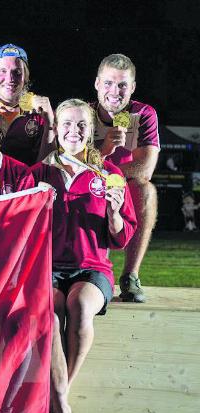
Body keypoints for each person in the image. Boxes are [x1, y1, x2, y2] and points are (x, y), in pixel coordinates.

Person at [31, 98, 137, 413]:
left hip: (92, 267)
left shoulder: (109, 175)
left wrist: (114, 214)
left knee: (78, 305)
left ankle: (57, 403)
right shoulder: (38, 174)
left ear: (92, 131)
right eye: (66, 125)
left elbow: (121, 238)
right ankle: (61, 408)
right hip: (48, 267)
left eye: (81, 125)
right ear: (56, 130)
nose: (73, 131)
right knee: (50, 310)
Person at [91, 53, 160, 302]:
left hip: (121, 184)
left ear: (132, 87)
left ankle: (131, 276)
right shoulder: (84, 114)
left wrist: (107, 172)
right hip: (90, 186)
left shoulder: (143, 114)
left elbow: (144, 168)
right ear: (97, 84)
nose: (115, 91)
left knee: (145, 190)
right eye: (108, 83)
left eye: (122, 85)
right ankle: (93, 268)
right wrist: (104, 152)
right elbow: (73, 166)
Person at [0, 44, 55, 166]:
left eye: (17, 72)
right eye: (3, 71)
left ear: (26, 77)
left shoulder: (39, 113)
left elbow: (48, 167)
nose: (10, 78)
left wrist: (50, 124)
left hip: (30, 183)